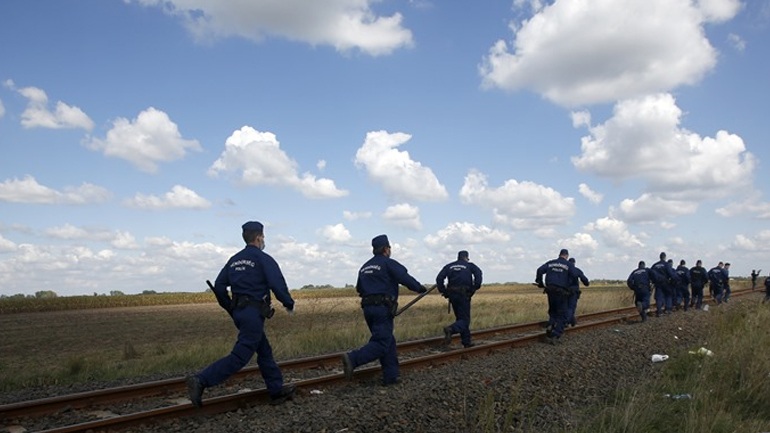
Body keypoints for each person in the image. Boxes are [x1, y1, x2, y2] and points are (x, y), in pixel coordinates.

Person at [186, 221, 296, 408]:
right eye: (263, 237)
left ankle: (276, 391)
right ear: (259, 237)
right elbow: (277, 283)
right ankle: (201, 380)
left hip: (240, 313)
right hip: (253, 313)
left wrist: (230, 306)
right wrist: (288, 303)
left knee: (264, 351)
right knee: (240, 356)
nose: (263, 240)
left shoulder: (234, 260)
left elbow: (219, 286)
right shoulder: (263, 259)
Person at [342, 234, 426, 386]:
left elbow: (359, 289)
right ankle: (353, 359)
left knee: (388, 340)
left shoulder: (364, 267)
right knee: (381, 342)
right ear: (386, 249)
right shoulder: (388, 263)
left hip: (368, 308)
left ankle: (391, 376)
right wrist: (419, 288)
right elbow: (405, 278)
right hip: (382, 308)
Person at [436, 250, 483, 348]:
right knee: (465, 320)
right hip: (464, 295)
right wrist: (474, 288)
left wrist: (444, 291)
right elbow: (478, 275)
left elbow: (439, 278)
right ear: (466, 257)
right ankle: (451, 329)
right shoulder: (470, 266)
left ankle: (466, 341)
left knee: (460, 318)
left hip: (452, 295)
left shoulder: (449, 266)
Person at [535, 248, 582, 344]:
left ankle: (551, 325)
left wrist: (539, 282)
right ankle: (555, 334)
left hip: (550, 291)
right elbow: (574, 275)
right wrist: (573, 288)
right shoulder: (568, 265)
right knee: (563, 314)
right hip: (561, 292)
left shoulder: (551, 263)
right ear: (566, 256)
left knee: (553, 311)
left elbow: (539, 270)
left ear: (559, 254)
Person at [650, 252, 677, 316]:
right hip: (666, 283)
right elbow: (671, 273)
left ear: (660, 257)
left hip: (658, 284)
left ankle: (659, 311)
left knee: (659, 297)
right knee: (668, 295)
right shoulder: (666, 264)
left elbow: (651, 273)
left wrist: (653, 281)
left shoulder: (655, 265)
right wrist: (674, 280)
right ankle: (668, 309)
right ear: (665, 257)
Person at [566, 257, 590, 327]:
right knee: (571, 307)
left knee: (565, 307)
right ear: (574, 263)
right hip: (573, 292)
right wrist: (587, 283)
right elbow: (584, 280)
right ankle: (566, 322)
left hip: (563, 291)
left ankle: (572, 321)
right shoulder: (576, 270)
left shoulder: (564, 270)